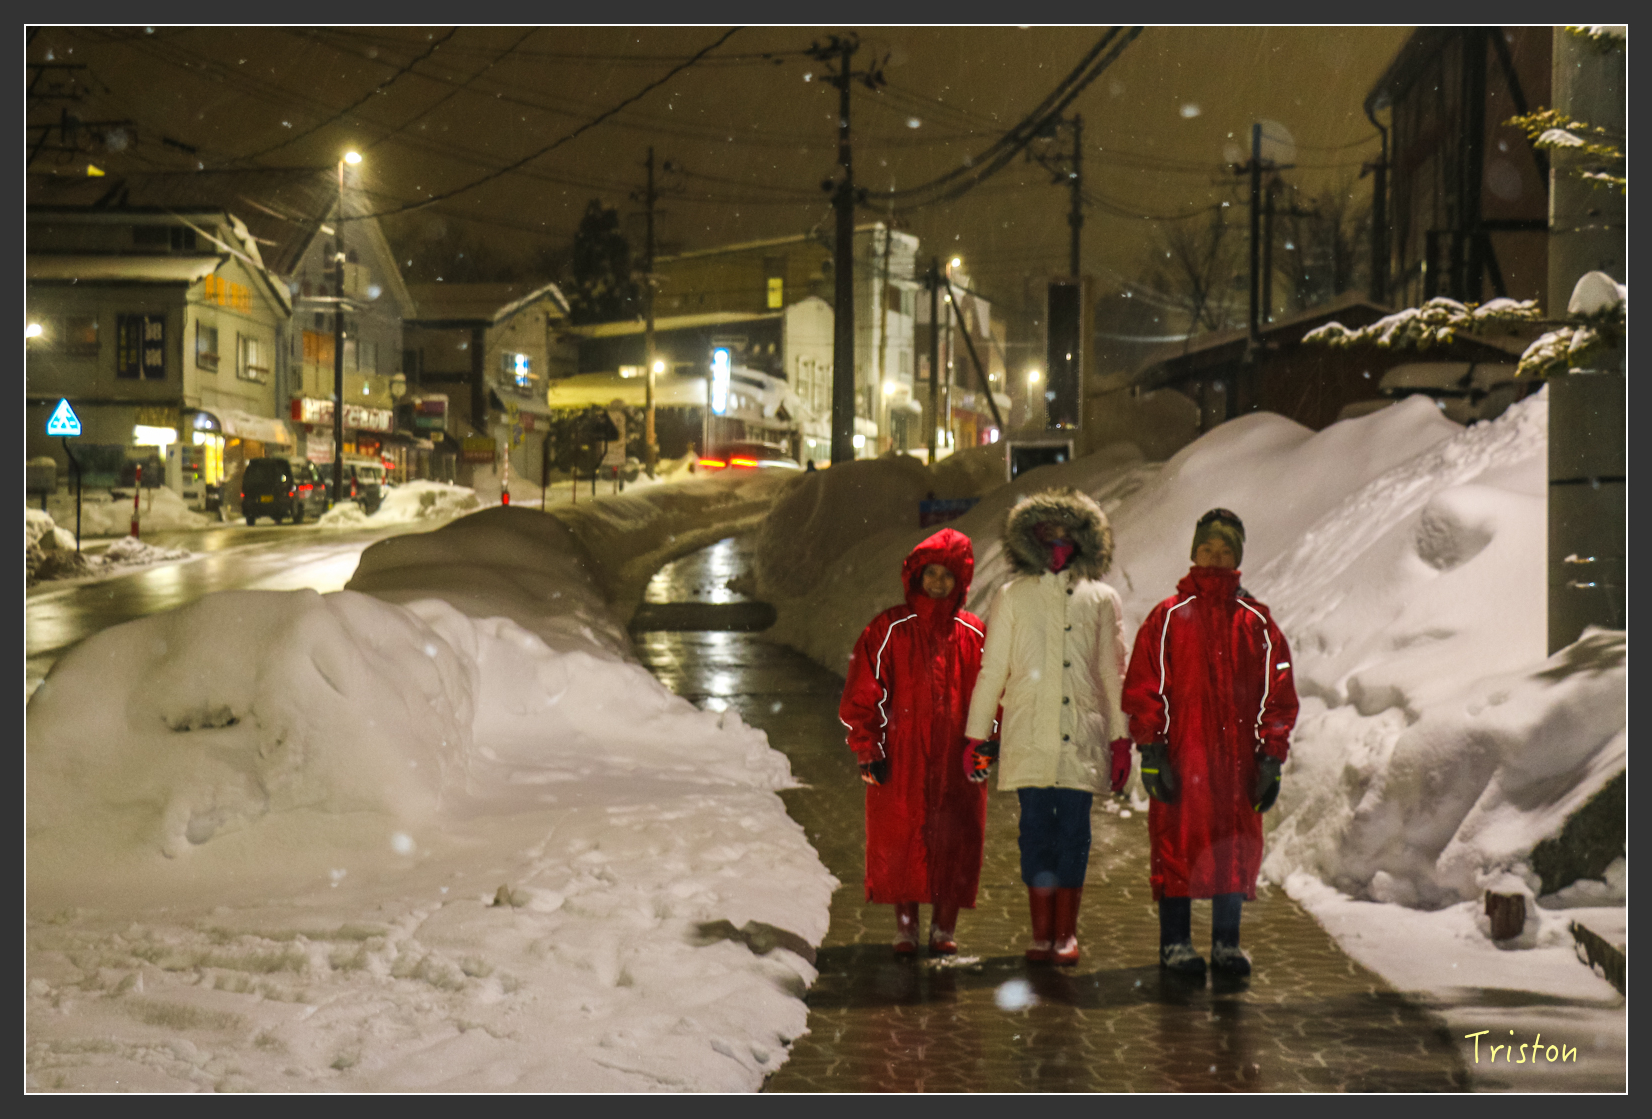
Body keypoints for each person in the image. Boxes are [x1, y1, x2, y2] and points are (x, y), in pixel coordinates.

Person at [1121, 508, 1299, 978]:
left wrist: (1271, 756)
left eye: (1225, 552)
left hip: (1237, 764)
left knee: (1233, 848)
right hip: (1183, 758)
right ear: (1193, 553)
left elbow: (1276, 693)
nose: (1215, 559)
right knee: (1177, 846)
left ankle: (1226, 943)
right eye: (1207, 550)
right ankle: (1175, 943)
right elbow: (1145, 686)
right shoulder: (1167, 618)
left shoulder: (1256, 622)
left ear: (1237, 558)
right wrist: (1153, 751)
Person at [962, 488, 1129, 966]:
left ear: (1082, 539)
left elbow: (1110, 672)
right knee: (1035, 831)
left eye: (1066, 531)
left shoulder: (1100, 599)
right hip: (1028, 734)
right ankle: (1041, 931)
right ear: (1031, 539)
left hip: (1081, 735)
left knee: (1074, 834)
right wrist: (978, 734)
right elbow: (992, 669)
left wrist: (1120, 739)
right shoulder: (1013, 596)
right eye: (1046, 532)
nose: (1057, 540)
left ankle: (1066, 932)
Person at [840, 526, 988, 957]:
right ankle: (905, 925)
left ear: (960, 582)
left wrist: (986, 741)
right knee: (901, 837)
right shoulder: (890, 628)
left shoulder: (973, 632)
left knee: (955, 838)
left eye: (948, 575)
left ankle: (944, 926)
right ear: (916, 577)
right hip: (902, 755)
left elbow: (993, 690)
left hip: (957, 757)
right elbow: (864, 690)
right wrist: (868, 748)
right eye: (931, 573)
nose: (938, 583)